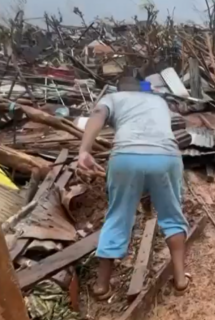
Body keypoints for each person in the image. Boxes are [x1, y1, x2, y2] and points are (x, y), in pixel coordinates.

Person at [78, 75, 189, 299]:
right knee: (172, 216)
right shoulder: (158, 101)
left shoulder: (113, 98)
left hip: (126, 157)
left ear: (118, 87)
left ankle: (102, 286)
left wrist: (84, 150)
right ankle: (180, 280)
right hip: (166, 156)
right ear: (142, 88)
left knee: (117, 216)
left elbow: (98, 114)